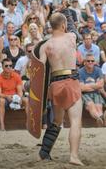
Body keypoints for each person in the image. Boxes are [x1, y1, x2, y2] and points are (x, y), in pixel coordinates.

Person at [36, 12, 84, 165]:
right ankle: (74, 156)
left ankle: (44, 152)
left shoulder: (46, 45)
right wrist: (68, 12)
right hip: (71, 82)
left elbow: (40, 70)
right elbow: (74, 29)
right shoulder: (71, 37)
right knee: (75, 121)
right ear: (63, 25)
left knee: (57, 120)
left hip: (55, 84)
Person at [0, 58, 28, 131]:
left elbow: (20, 91)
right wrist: (7, 96)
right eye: (6, 66)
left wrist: (19, 98)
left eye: (10, 65)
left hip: (15, 97)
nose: (9, 67)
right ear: (2, 67)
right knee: (1, 101)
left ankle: (28, 124)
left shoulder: (16, 76)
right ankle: (2, 126)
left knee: (26, 100)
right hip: (5, 98)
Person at [79, 53, 106, 127]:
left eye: (92, 61)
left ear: (95, 62)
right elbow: (81, 88)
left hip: (96, 93)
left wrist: (88, 86)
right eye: (88, 61)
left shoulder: (98, 70)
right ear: (85, 62)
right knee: (91, 106)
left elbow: (101, 85)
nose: (90, 62)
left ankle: (100, 120)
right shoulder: (80, 71)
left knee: (99, 107)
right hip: (84, 94)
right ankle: (102, 118)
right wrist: (94, 85)